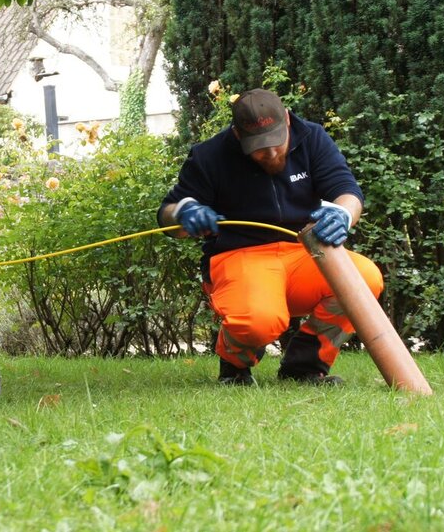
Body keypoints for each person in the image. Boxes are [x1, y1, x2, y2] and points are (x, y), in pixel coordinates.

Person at [158, 88, 383, 386]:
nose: (272, 153)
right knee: (258, 321)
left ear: (287, 121)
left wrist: (343, 214)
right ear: (238, 136)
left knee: (366, 280)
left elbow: (347, 192)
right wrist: (183, 212)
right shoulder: (209, 156)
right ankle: (235, 367)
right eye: (259, 147)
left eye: (277, 142)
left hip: (303, 251)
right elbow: (167, 218)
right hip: (239, 255)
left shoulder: (312, 138)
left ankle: (304, 366)